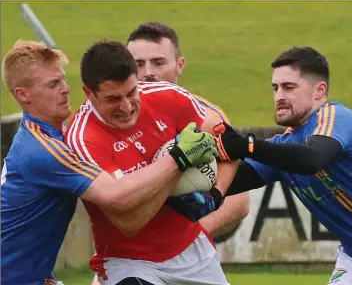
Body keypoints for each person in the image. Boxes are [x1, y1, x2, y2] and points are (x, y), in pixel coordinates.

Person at [0, 40, 217, 285]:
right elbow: (115, 196)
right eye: (52, 84)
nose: (65, 89)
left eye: (61, 79)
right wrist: (178, 158)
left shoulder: (45, 139)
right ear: (22, 94)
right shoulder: (44, 150)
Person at [65, 40, 234, 285]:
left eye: (132, 92)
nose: (126, 106)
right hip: (130, 264)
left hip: (194, 253)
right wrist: (178, 162)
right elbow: (128, 222)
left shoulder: (168, 96)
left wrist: (216, 195)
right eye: (112, 98)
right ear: (89, 93)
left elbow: (231, 145)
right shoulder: (82, 139)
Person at [214, 46, 352, 285]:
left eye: (289, 87)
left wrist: (248, 146)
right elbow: (229, 182)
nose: (279, 95)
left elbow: (311, 158)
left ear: (319, 92)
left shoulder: (336, 117)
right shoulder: (283, 145)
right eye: (276, 88)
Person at [126, 21, 249, 239]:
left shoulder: (208, 117)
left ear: (179, 65)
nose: (148, 73)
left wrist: (188, 240)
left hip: (187, 253)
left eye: (158, 62)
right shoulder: (114, 120)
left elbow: (239, 202)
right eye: (138, 64)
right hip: (124, 251)